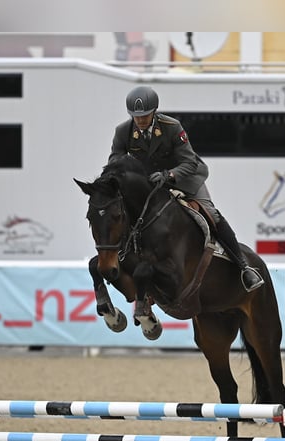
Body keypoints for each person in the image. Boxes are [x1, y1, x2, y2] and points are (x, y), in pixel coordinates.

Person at [108, 85, 264, 292]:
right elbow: (115, 161)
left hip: (183, 179)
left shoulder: (172, 127)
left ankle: (244, 267)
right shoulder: (123, 132)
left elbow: (189, 162)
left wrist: (168, 175)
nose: (141, 120)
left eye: (144, 116)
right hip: (149, 184)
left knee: (212, 214)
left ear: (154, 111)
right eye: (136, 116)